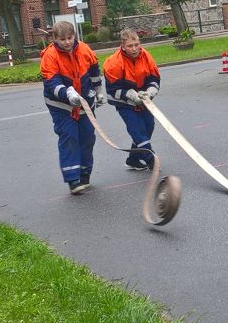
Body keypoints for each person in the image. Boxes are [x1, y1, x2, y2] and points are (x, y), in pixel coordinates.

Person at [41, 21, 103, 194]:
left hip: (84, 103)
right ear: (55, 39)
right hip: (61, 106)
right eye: (62, 39)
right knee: (69, 137)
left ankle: (84, 174)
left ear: (75, 36)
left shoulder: (84, 49)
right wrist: (67, 94)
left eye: (70, 38)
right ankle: (73, 179)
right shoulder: (50, 56)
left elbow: (94, 70)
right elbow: (52, 83)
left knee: (87, 137)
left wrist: (98, 91)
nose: (67, 42)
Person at [102, 29, 161, 170]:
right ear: (122, 46)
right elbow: (111, 91)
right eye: (130, 46)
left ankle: (133, 159)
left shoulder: (146, 56)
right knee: (137, 130)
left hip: (144, 100)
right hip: (125, 104)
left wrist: (151, 91)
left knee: (148, 126)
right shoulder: (113, 63)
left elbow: (154, 78)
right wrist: (130, 95)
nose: (134, 49)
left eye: (136, 44)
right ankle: (151, 159)